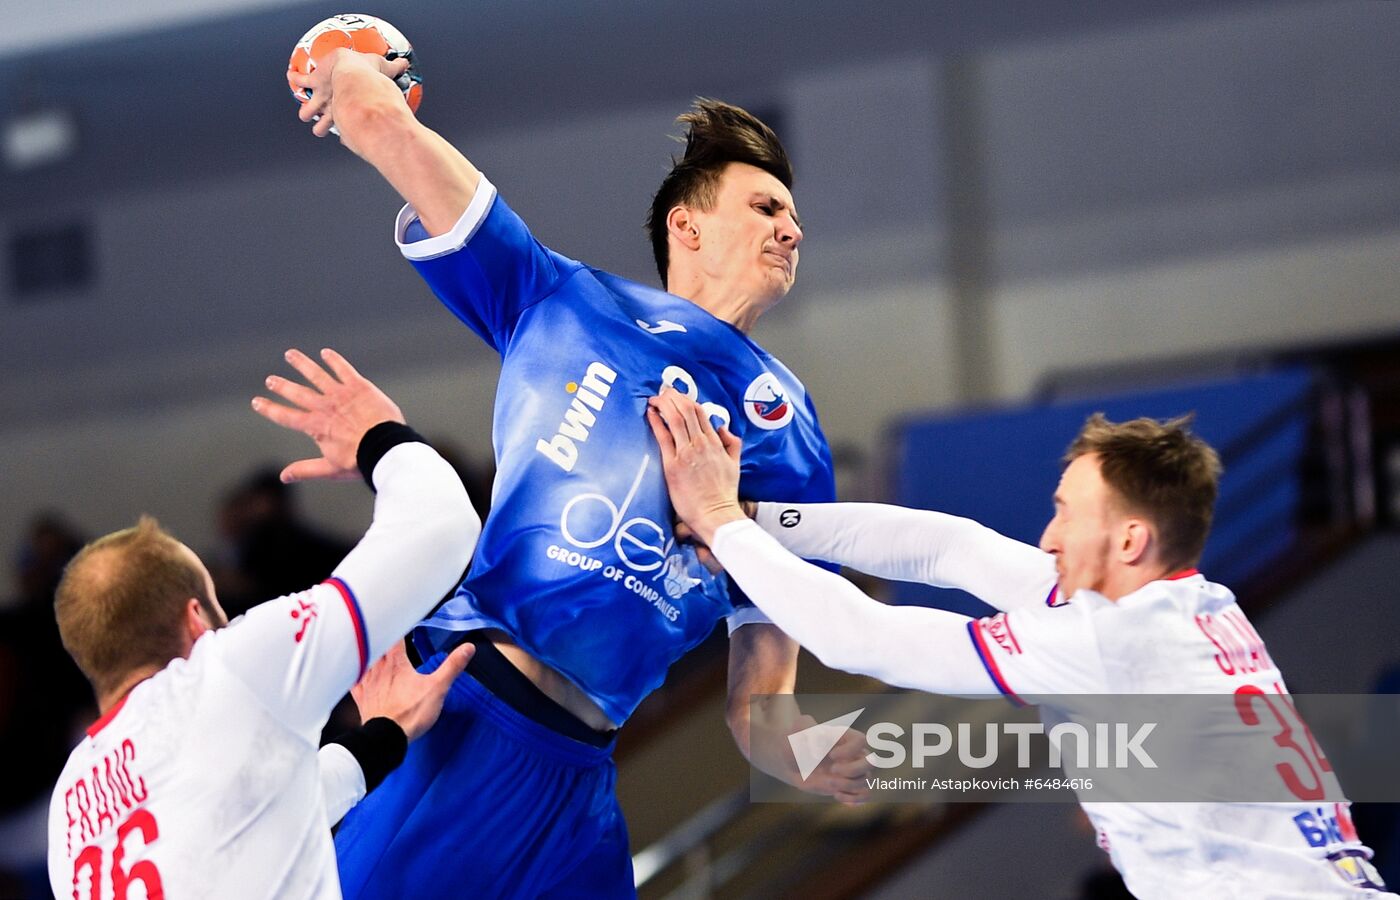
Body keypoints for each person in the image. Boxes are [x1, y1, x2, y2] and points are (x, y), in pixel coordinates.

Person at [289, 49, 864, 898]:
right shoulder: (562, 302)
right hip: (471, 714)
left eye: (793, 216)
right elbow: (388, 132)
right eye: (767, 206)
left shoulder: (794, 432)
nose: (792, 229)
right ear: (687, 226)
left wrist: (794, 746)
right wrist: (353, 74)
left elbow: (758, 694)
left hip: (584, 768)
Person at [647, 390, 1395, 899]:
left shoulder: (1110, 638)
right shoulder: (1188, 602)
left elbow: (857, 635)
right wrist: (759, 518)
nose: (1048, 536)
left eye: (1067, 514)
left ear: (1130, 537)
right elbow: (951, 550)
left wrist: (719, 522)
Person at [46, 348, 481, 899]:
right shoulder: (225, 671)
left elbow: (251, 815)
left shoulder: (71, 804)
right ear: (196, 617)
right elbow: (441, 527)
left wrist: (383, 738)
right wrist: (379, 438)